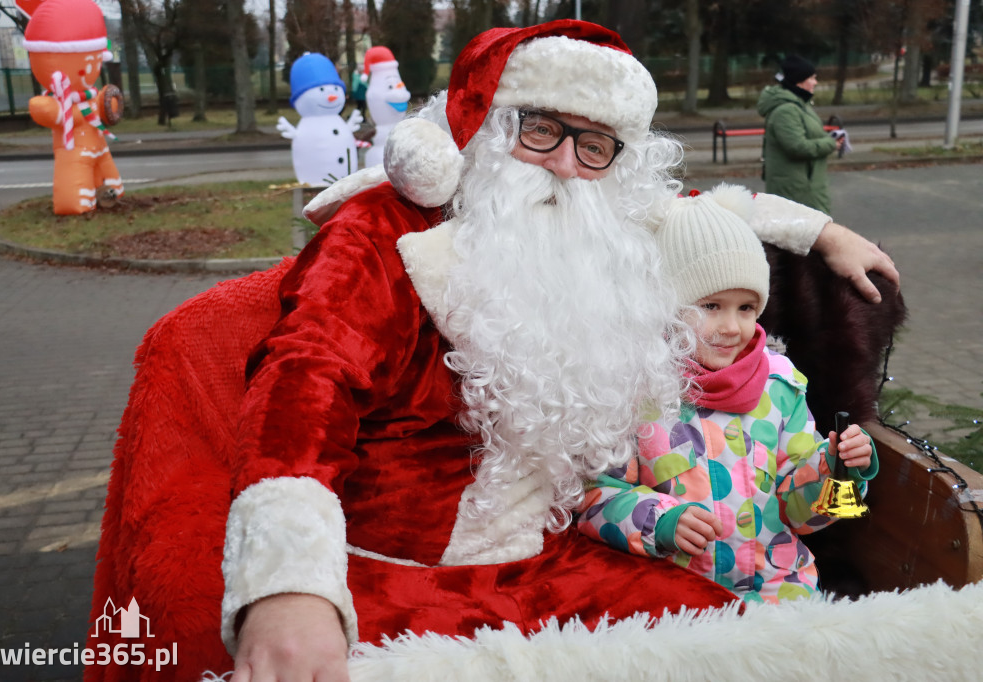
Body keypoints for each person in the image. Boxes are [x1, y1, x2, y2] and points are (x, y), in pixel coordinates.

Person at [219, 21, 898, 682]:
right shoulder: (386, 235)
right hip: (407, 568)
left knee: (740, 646)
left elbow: (704, 210)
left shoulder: (604, 220)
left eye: (596, 145)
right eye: (540, 130)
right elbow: (304, 385)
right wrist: (289, 583)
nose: (567, 167)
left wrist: (824, 231)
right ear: (486, 129)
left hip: (561, 554)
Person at [577, 189, 878, 604]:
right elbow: (595, 496)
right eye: (711, 306)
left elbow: (799, 513)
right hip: (675, 590)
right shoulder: (633, 388)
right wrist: (660, 522)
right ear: (662, 306)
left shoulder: (780, 384)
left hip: (779, 585)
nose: (732, 326)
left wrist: (834, 470)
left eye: (746, 307)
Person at [757, 55, 843, 213]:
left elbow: (811, 135)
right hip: (796, 190)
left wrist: (828, 139)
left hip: (806, 186)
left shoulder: (800, 104)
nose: (815, 83)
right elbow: (797, 147)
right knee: (807, 235)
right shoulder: (786, 110)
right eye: (812, 78)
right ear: (799, 80)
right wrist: (830, 143)